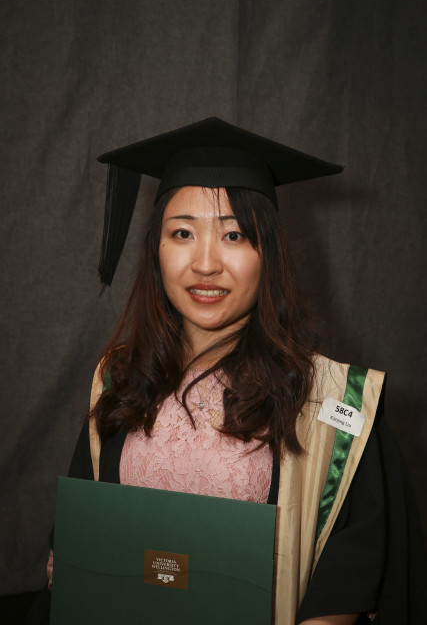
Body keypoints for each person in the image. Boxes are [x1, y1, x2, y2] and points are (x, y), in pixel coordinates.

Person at [29, 118, 426, 624]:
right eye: (182, 233)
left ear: (268, 253)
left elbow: (346, 584)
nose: (205, 264)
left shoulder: (333, 405)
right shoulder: (120, 379)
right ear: (156, 250)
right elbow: (82, 537)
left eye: (234, 234)